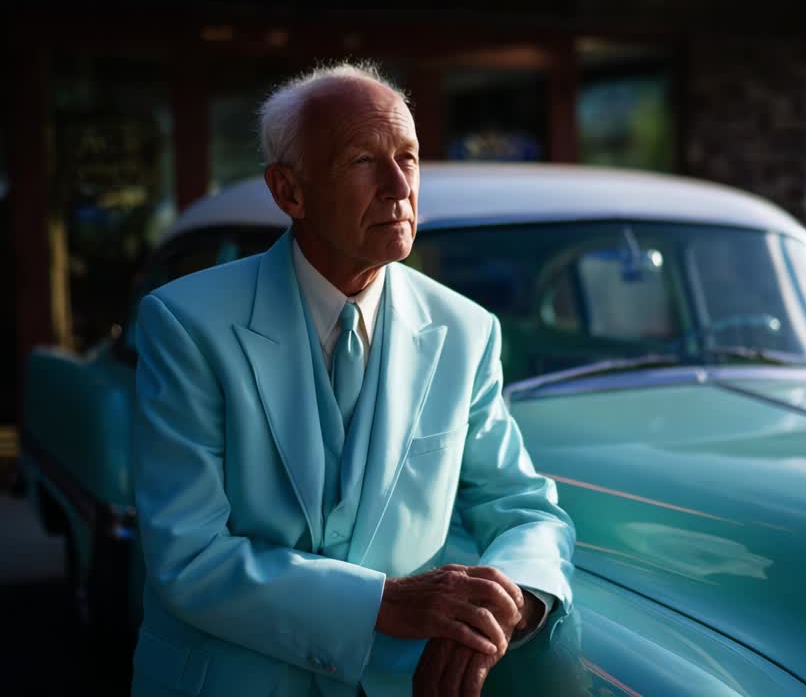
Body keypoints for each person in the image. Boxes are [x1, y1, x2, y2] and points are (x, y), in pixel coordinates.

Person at [129, 62, 574, 697]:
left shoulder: (465, 331)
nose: (400, 187)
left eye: (410, 158)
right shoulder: (186, 323)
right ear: (290, 192)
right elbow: (188, 555)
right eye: (364, 160)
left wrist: (509, 600)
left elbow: (525, 510)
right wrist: (387, 605)